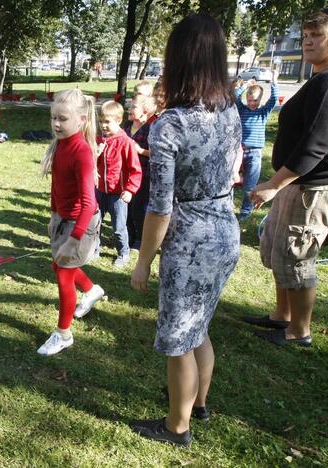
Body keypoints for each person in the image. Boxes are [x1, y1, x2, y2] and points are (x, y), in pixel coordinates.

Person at [129, 14, 241, 447]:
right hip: (224, 230)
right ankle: (197, 403)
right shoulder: (229, 109)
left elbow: (159, 209)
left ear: (177, 58)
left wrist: (142, 262)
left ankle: (178, 427)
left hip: (191, 240)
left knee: (178, 339)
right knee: (200, 326)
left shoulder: (169, 125)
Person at [245, 7, 328, 347]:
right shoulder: (326, 75)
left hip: (316, 186)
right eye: (306, 36)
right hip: (301, 182)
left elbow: (316, 146)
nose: (308, 42)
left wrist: (273, 185)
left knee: (297, 255)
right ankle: (282, 317)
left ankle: (299, 331)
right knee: (279, 249)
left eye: (316, 36)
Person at [36, 88, 104, 356]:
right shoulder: (61, 144)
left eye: (63, 119)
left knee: (63, 274)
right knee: (59, 265)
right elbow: (57, 186)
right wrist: (54, 215)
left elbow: (89, 204)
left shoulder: (82, 152)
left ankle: (63, 334)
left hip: (81, 223)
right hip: (64, 219)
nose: (56, 124)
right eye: (54, 117)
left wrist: (74, 239)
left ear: (83, 119)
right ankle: (91, 289)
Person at [95, 100, 142, 267]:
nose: (103, 125)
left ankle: (123, 253)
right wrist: (96, 154)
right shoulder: (99, 140)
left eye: (107, 121)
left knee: (118, 227)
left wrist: (130, 189)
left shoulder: (125, 142)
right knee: (95, 222)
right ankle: (94, 250)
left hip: (118, 193)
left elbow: (135, 170)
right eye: (101, 121)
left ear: (119, 120)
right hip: (100, 190)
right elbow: (91, 163)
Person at [233, 72, 278, 220]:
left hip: (254, 153)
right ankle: (226, 206)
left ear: (260, 100)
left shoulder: (262, 113)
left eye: (256, 100)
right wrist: (245, 85)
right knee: (231, 180)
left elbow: (274, 100)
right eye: (250, 100)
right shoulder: (243, 110)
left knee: (249, 184)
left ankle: (246, 210)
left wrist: (274, 83)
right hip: (240, 151)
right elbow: (234, 96)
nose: (253, 103)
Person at [123, 94, 158, 250]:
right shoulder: (125, 127)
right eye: (130, 106)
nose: (129, 109)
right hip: (125, 174)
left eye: (133, 107)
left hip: (143, 175)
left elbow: (156, 153)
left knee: (138, 209)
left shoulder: (150, 129)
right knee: (126, 208)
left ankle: (140, 239)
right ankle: (128, 236)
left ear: (145, 110)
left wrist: (140, 150)